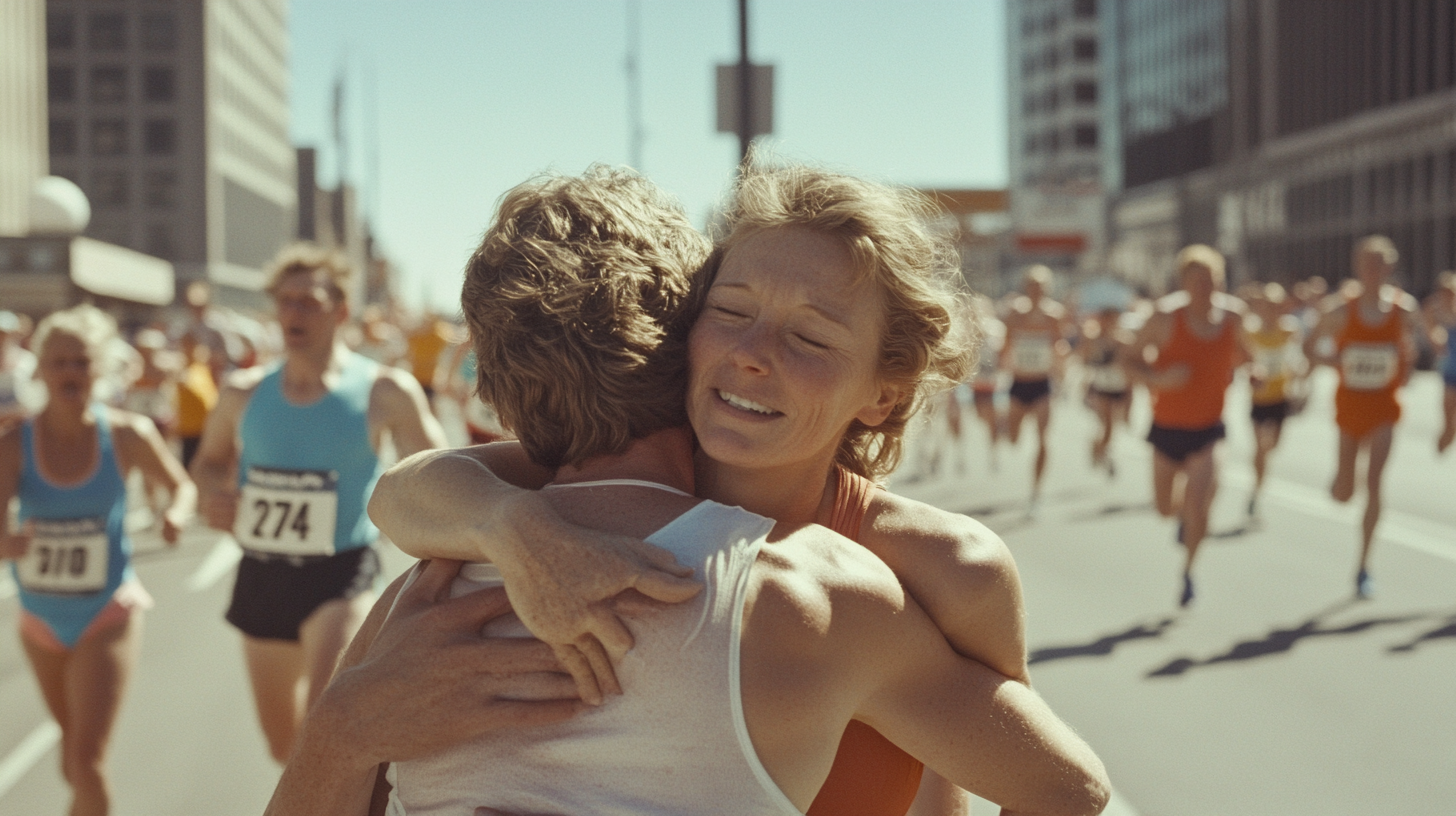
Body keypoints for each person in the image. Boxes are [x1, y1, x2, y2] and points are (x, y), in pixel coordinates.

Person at [269, 165, 1107, 816]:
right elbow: (403, 492)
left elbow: (1013, 788)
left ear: (883, 392)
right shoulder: (558, 508)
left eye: (811, 336)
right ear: (679, 331)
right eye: (731, 310)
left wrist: (508, 528)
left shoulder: (939, 568)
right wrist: (513, 528)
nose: (753, 353)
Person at [190, 245, 448, 763]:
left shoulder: (385, 391)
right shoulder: (243, 393)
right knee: (282, 747)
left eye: (308, 301)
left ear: (340, 311)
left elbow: (443, 473)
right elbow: (208, 462)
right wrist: (212, 498)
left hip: (342, 572)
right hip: (262, 575)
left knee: (323, 731)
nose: (293, 313)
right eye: (285, 302)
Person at [0, 304, 195, 816]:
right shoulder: (13, 443)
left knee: (86, 763)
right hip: (38, 618)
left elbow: (181, 486)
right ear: (38, 370)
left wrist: (174, 514)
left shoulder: (128, 434)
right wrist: (6, 544)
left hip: (106, 612)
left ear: (101, 369)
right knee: (72, 761)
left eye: (82, 362)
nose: (70, 372)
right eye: (59, 362)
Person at [1122, 245, 1248, 607]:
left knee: (1201, 504)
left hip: (1209, 429)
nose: (1207, 288)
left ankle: (1189, 572)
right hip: (1167, 429)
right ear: (1183, 283)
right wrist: (1158, 380)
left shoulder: (1233, 317)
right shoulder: (1164, 318)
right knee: (1165, 509)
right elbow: (1127, 361)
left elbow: (1246, 355)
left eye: (1214, 281)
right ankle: (1180, 519)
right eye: (1198, 281)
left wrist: (1250, 372)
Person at [1303, 236, 1419, 598]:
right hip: (1349, 408)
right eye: (1366, 264)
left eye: (1379, 264)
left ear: (1389, 267)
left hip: (1385, 407)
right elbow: (1309, 348)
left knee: (1375, 482)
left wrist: (1406, 366)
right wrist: (1335, 361)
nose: (1373, 271)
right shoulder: (1339, 310)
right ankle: (1339, 480)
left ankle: (1364, 565)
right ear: (1357, 267)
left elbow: (1411, 352)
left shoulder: (1404, 310)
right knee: (1345, 493)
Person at [1000, 265, 1071, 514]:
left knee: (1043, 438)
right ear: (1026, 287)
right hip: (1019, 383)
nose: (1036, 291)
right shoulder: (1015, 315)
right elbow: (1005, 346)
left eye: (1041, 287)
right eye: (1032, 286)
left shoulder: (1054, 315)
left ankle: (1036, 491)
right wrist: (1003, 367)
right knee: (1013, 437)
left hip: (1042, 384)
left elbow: (1059, 344)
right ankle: (1007, 426)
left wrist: (1061, 367)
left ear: (1047, 289)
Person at [1242, 283, 1306, 517]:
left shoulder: (1289, 330)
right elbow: (1243, 357)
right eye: (1268, 306)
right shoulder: (1251, 332)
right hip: (1258, 399)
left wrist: (1300, 382)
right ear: (1260, 307)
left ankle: (1259, 476)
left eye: (1276, 306)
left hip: (1281, 398)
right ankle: (1256, 490)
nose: (1272, 310)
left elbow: (1297, 359)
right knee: (1261, 447)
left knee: (1272, 447)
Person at [1078, 299, 1133, 479]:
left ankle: (1098, 447)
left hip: (1119, 387)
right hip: (1100, 387)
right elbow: (1084, 361)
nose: (1111, 322)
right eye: (1107, 318)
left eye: (1114, 319)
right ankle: (1102, 452)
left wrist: (1130, 400)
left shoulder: (1125, 340)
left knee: (1112, 428)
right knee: (1107, 425)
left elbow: (1131, 369)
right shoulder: (1093, 339)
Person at [1424, 271, 1456, 453]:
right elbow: (1436, 342)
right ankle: (1447, 433)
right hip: (1451, 371)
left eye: (1450, 293)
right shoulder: (1438, 315)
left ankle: (1449, 434)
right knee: (1448, 415)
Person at [0, 310, 39, 432]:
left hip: (19, 431)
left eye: (5, 334)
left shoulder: (29, 362)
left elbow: (35, 403)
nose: (2, 338)